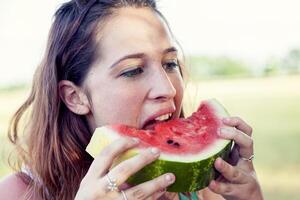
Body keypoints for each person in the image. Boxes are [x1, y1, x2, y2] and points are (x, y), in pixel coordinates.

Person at [0, 0, 264, 199]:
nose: (168, 89)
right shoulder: (17, 193)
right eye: (133, 70)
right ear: (75, 97)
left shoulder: (203, 187)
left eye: (170, 64)